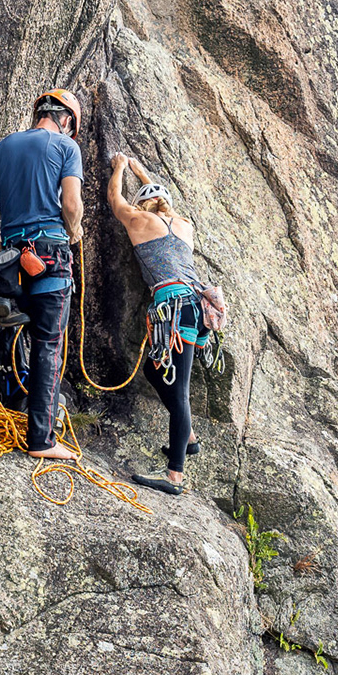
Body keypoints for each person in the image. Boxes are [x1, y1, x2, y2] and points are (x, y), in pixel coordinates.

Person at [0, 89, 84, 460]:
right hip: (50, 254)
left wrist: (3, 239)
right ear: (66, 120)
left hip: (13, 259)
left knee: (14, 329)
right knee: (48, 344)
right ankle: (41, 440)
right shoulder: (66, 147)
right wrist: (75, 230)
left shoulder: (1, 148)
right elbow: (71, 204)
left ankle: (8, 401)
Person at [105, 153, 225, 495]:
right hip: (196, 307)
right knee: (154, 371)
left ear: (142, 204)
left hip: (176, 309)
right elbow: (160, 197)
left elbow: (114, 200)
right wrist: (142, 172)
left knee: (180, 391)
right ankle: (188, 438)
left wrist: (119, 167)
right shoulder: (184, 225)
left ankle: (175, 477)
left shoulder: (138, 220)